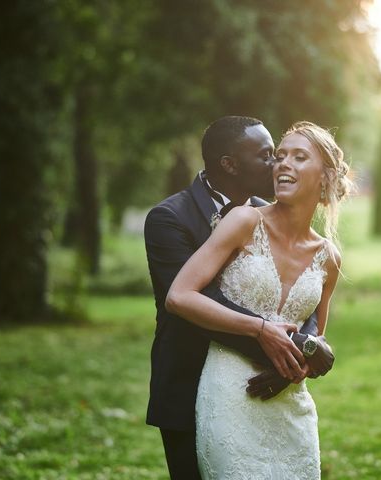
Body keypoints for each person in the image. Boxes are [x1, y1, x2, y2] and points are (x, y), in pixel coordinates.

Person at [144, 116, 335, 479]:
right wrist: (284, 350)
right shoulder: (168, 218)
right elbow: (198, 300)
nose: (277, 164)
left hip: (264, 383)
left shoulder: (269, 213)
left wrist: (301, 353)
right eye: (268, 156)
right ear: (229, 164)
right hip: (190, 380)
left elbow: (296, 294)